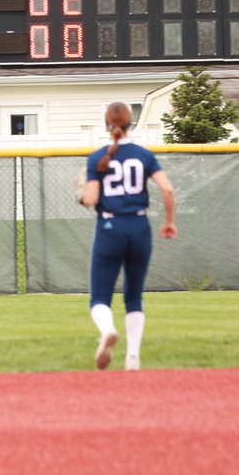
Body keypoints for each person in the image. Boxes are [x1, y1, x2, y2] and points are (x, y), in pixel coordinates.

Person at [79, 102, 178, 370]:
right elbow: (167, 190)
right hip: (139, 226)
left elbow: (90, 199)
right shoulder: (144, 155)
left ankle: (108, 330)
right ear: (130, 123)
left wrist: (80, 192)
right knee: (134, 296)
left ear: (107, 124)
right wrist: (169, 222)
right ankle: (133, 357)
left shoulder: (97, 157)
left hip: (110, 228)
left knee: (99, 297)